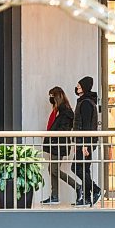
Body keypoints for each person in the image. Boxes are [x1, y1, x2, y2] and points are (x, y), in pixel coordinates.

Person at [41, 87, 81, 205]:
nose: (50, 99)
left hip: (58, 145)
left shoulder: (65, 112)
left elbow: (61, 130)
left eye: (52, 96)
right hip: (56, 144)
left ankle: (77, 187)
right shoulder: (60, 111)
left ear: (57, 97)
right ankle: (54, 196)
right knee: (52, 169)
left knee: (53, 170)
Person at [72, 76, 102, 206]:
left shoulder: (85, 103)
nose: (77, 88)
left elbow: (86, 125)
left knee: (76, 167)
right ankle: (87, 198)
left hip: (85, 142)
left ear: (84, 87)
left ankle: (96, 190)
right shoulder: (88, 102)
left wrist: (83, 144)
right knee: (85, 169)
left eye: (79, 86)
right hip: (86, 142)